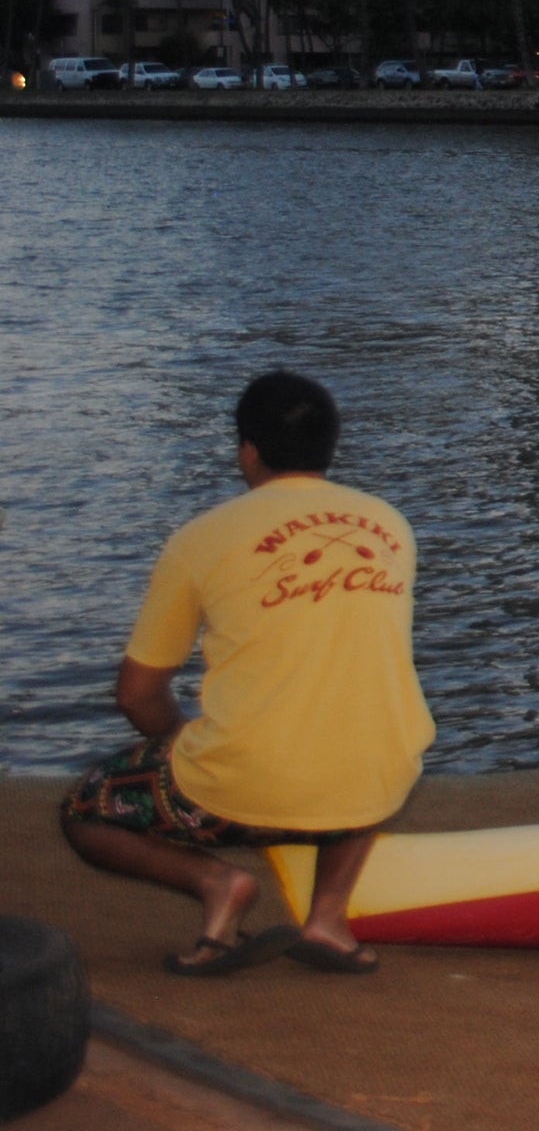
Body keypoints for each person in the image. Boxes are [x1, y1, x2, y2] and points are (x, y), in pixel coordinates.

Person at [62, 372, 434, 976]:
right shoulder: (391, 526)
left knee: (86, 808)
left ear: (248, 451)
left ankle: (218, 886)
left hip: (241, 789)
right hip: (379, 775)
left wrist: (180, 741)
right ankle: (327, 921)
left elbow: (137, 694)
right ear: (330, 448)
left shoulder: (200, 539)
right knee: (366, 724)